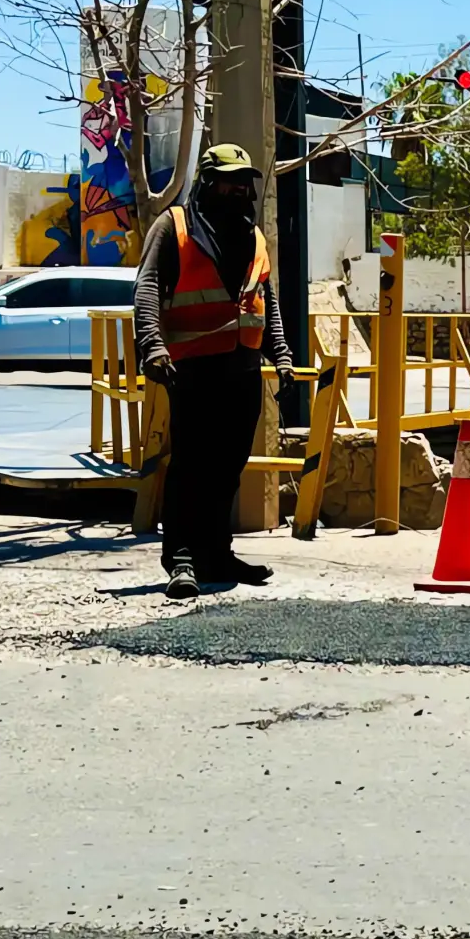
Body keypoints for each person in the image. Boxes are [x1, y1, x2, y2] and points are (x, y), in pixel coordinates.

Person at [133, 143, 295, 602]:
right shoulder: (174, 227)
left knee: (228, 467)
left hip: (241, 369)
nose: (238, 188)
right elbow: (146, 286)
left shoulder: (253, 236)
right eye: (229, 179)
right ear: (207, 181)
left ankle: (216, 553)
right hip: (192, 369)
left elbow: (265, 298)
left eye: (244, 181)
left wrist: (279, 352)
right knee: (191, 467)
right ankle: (181, 559)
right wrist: (153, 346)